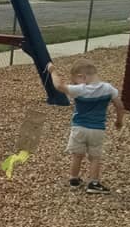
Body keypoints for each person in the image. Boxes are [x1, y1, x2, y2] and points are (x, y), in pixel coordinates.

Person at [46, 61, 125, 194]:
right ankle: (94, 183)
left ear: (82, 77)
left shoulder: (81, 90)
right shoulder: (108, 88)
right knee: (95, 157)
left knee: (77, 155)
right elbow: (119, 105)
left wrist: (52, 71)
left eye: (76, 81)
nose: (76, 84)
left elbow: (59, 85)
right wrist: (119, 121)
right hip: (97, 129)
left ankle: (74, 179)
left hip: (79, 128)